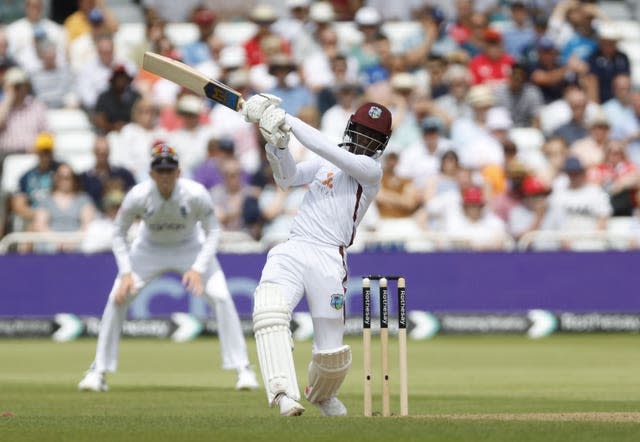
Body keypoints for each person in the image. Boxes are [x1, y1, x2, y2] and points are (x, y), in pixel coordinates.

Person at [242, 95, 392, 416]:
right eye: (362, 131)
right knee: (270, 310)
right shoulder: (327, 165)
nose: (365, 140)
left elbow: (326, 148)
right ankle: (283, 393)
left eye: (373, 137)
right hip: (294, 247)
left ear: (381, 144)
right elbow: (287, 179)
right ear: (352, 127)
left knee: (331, 356)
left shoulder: (370, 170)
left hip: (329, 260)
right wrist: (278, 146)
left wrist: (287, 119)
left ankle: (321, 395)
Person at [78, 143, 259, 392]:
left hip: (190, 247)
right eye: (160, 170)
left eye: (169, 170)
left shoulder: (195, 194)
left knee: (221, 296)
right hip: (148, 249)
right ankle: (98, 371)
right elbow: (118, 233)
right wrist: (126, 272)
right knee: (116, 299)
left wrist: (197, 268)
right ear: (151, 173)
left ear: (178, 172)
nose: (165, 176)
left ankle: (243, 369)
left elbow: (214, 232)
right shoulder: (138, 195)